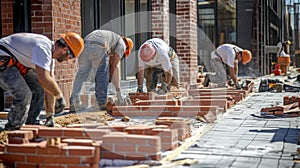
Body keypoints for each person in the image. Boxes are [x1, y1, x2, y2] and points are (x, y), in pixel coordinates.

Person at [0, 32, 84, 130]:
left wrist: (50, 116)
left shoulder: (49, 55)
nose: (68, 60)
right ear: (65, 50)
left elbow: (48, 83)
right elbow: (43, 77)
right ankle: (13, 128)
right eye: (71, 57)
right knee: (24, 93)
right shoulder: (43, 48)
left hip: (13, 62)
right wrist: (59, 96)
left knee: (39, 87)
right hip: (3, 59)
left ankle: (30, 122)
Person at [69, 30, 133, 112]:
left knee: (81, 74)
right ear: (127, 47)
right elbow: (115, 66)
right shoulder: (122, 44)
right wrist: (118, 91)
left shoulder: (112, 39)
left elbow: (111, 63)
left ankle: (74, 102)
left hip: (84, 46)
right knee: (102, 74)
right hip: (99, 47)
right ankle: (101, 102)